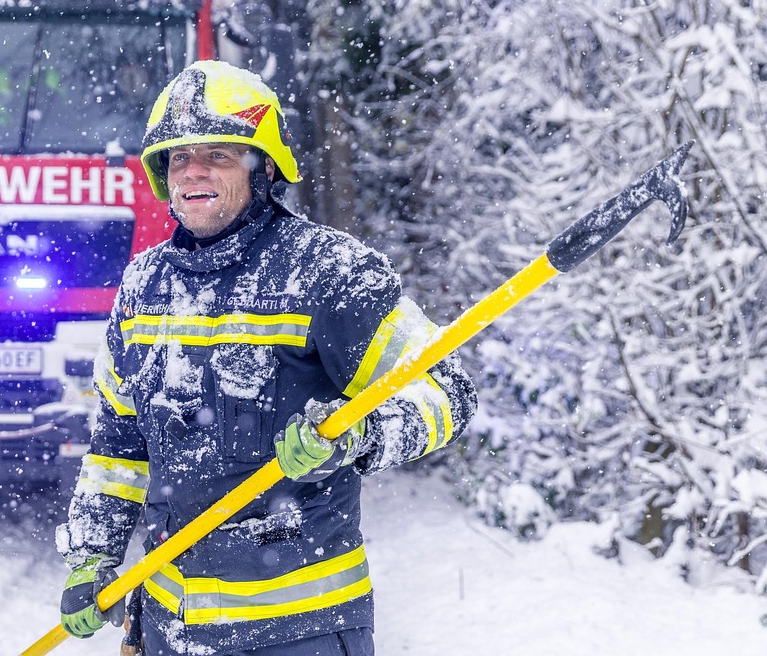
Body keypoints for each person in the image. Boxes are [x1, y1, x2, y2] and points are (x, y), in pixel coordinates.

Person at [56, 60, 478, 655]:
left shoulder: (329, 273)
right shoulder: (143, 288)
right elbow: (118, 445)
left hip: (298, 630)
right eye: (179, 157)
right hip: (168, 630)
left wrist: (356, 434)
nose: (194, 170)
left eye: (219, 154)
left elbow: (446, 392)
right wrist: (92, 554)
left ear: (263, 167)